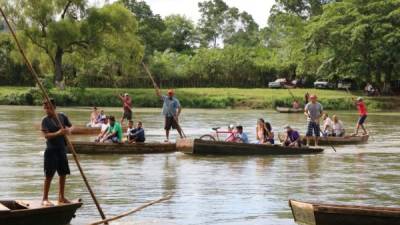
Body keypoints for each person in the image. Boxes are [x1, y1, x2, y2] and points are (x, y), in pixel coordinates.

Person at [40, 99, 72, 206]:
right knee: (49, 175)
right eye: (46, 108)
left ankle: (61, 197)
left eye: (49, 108)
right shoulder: (45, 120)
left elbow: (71, 126)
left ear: (54, 107)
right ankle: (45, 198)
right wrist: (58, 132)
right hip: (51, 150)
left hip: (62, 149)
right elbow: (46, 136)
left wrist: (68, 131)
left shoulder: (62, 116)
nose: (47, 110)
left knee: (63, 173)